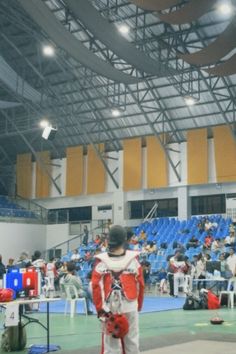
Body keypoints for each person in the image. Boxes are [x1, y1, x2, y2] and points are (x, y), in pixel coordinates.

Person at [92, 225, 144, 354]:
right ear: (125, 239)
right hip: (130, 304)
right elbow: (141, 285)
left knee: (111, 344)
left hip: (109, 307)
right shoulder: (134, 261)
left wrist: (100, 309)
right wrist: (138, 306)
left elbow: (96, 287)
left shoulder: (101, 262)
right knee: (132, 342)